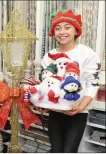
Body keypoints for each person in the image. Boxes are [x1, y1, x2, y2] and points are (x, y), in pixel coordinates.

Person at [40, 9, 101, 152]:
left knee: (69, 150)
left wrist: (80, 107)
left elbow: (93, 84)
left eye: (67, 27)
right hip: (55, 112)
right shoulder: (49, 56)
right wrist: (42, 102)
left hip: (77, 112)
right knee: (56, 150)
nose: (62, 32)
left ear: (76, 31)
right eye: (58, 28)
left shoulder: (87, 54)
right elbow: (46, 84)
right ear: (53, 33)